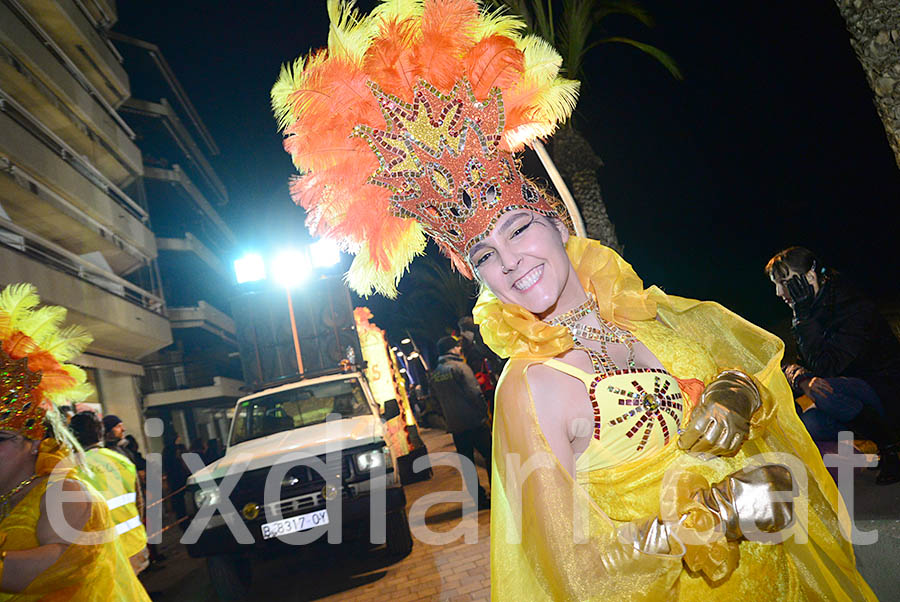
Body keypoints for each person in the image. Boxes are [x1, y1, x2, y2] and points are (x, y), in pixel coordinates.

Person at [272, 1, 875, 599]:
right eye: (482, 255)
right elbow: (571, 572)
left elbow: (747, 369)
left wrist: (739, 395)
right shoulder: (528, 389)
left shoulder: (646, 310)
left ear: (558, 223)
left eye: (517, 227)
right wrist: (704, 522)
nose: (509, 262)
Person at [0, 283, 151, 600]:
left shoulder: (63, 491)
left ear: (35, 441)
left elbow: (64, 563)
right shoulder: (10, 495)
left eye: (1, 438)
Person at [766, 246, 900, 484]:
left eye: (785, 282)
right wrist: (801, 378)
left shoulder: (853, 308)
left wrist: (803, 319)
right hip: (853, 399)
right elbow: (802, 365)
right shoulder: (812, 311)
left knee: (827, 390)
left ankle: (891, 447)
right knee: (812, 423)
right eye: (776, 284)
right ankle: (849, 458)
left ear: (810, 276)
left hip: (887, 393)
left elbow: (827, 368)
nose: (779, 292)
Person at [68, 411, 149, 574]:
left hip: (104, 553)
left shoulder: (71, 468)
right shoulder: (121, 459)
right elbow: (139, 503)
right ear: (100, 433)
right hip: (135, 544)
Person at [429, 336, 492, 508]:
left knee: (467, 464)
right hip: (474, 422)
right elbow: (474, 393)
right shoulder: (460, 368)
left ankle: (478, 500)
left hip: (456, 427)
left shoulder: (435, 374)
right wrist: (483, 413)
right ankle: (498, 493)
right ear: (452, 349)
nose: (459, 349)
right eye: (457, 346)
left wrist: (449, 418)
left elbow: (435, 403)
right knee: (491, 456)